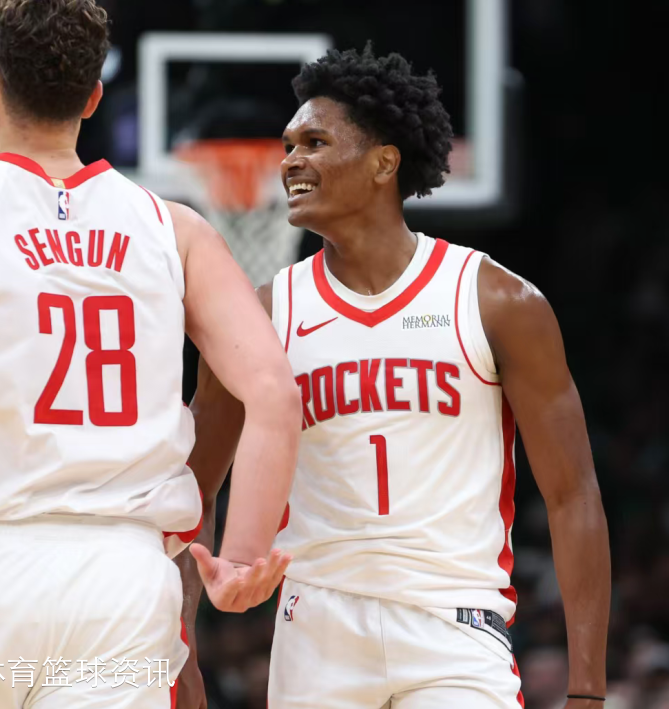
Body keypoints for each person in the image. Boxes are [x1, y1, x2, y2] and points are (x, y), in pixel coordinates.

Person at [0, 1, 300, 707]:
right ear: (93, 97)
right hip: (122, 580)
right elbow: (274, 392)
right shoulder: (176, 229)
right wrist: (242, 556)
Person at [178, 45, 610, 709]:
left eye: (314, 142)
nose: (290, 161)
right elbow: (191, 493)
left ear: (384, 162)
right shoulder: (261, 315)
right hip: (316, 633)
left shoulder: (496, 300)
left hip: (454, 628)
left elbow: (573, 494)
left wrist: (586, 690)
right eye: (288, 146)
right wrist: (179, 650)